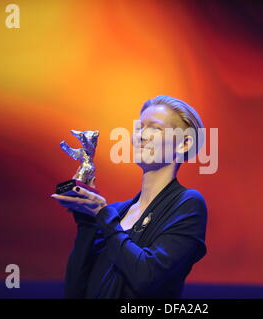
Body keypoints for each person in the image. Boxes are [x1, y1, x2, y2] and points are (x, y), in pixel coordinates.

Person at [51, 95, 208, 298]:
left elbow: (147, 277)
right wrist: (87, 223)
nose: (141, 135)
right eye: (140, 128)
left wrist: (103, 216)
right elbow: (75, 291)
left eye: (155, 128)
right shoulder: (116, 212)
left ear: (184, 144)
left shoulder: (187, 204)